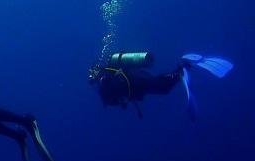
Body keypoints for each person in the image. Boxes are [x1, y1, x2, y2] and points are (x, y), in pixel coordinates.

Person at [89, 52, 234, 120]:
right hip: (136, 76)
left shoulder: (103, 86)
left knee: (162, 88)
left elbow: (115, 98)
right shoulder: (108, 72)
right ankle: (178, 71)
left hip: (135, 82)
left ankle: (180, 69)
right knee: (159, 84)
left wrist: (119, 100)